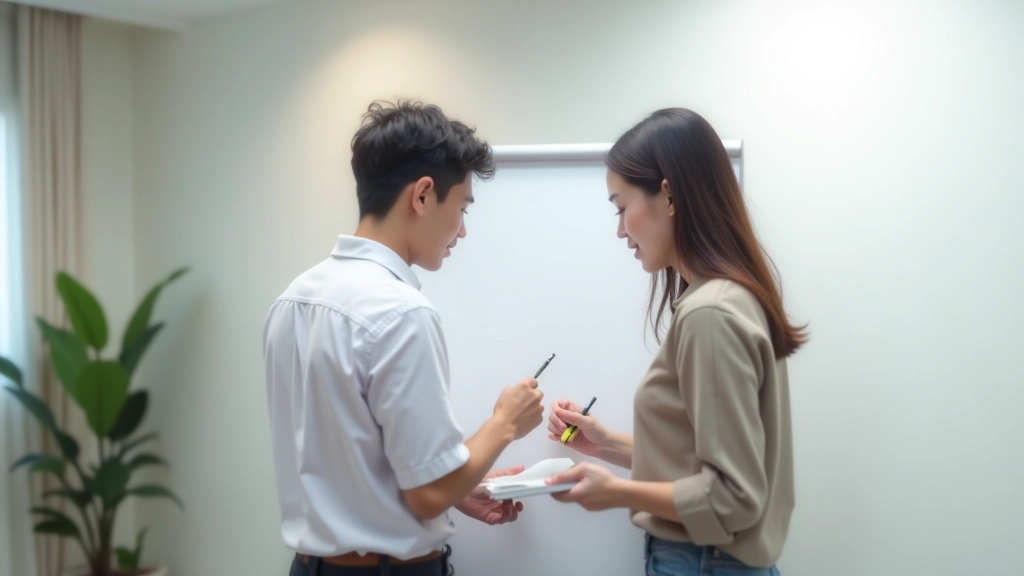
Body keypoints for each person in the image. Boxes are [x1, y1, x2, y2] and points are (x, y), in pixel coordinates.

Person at [263, 100, 545, 576]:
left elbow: (354, 472)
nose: (462, 230)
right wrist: (505, 423)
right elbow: (428, 492)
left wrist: (458, 490)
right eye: (461, 207)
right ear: (422, 195)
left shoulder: (291, 300)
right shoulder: (401, 312)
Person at [545, 108, 806, 576]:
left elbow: (732, 498)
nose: (620, 231)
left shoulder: (710, 313)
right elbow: (700, 466)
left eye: (621, 207)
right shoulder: (723, 299)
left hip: (703, 561)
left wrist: (615, 492)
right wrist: (605, 444)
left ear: (667, 196)